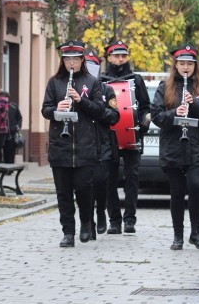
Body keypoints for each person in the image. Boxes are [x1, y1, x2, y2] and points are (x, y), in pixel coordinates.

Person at [151, 44, 199, 250]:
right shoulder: (165, 87)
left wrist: (195, 104)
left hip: (197, 145)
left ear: (195, 65)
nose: (186, 67)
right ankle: (178, 235)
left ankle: (196, 233)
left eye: (189, 63)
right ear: (176, 65)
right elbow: (157, 116)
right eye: (182, 64)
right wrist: (175, 114)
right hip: (173, 146)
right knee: (177, 191)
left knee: (197, 186)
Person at [41, 40, 104, 247]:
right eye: (68, 59)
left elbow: (100, 111)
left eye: (75, 59)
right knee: (63, 193)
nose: (71, 63)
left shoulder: (91, 82)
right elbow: (45, 110)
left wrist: (80, 101)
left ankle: (86, 222)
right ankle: (68, 232)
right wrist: (57, 108)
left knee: (83, 189)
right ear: (63, 60)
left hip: (85, 147)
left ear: (82, 60)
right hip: (61, 146)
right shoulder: (55, 82)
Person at [100, 38, 151, 235]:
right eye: (116, 56)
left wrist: (144, 123)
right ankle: (114, 221)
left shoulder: (136, 80)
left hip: (133, 136)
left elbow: (147, 107)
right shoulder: (101, 81)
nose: (120, 59)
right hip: (110, 138)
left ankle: (130, 219)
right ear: (109, 57)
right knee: (109, 180)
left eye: (123, 55)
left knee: (132, 179)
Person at [84, 49, 120, 237]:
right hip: (83, 143)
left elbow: (115, 116)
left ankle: (101, 212)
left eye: (93, 66)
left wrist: (98, 111)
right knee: (85, 184)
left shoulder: (107, 90)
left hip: (103, 143)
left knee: (100, 181)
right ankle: (88, 220)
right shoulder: (76, 89)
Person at [2, 93, 23, 164]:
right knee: (4, 151)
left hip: (13, 132)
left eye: (5, 98)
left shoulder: (13, 106)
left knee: (11, 151)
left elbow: (19, 118)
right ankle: (5, 167)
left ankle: (10, 168)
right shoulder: (0, 107)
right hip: (3, 132)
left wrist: (17, 127)